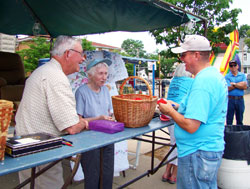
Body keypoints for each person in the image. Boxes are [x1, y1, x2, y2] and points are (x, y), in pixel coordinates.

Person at [15, 35, 88, 189]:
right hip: (40, 151)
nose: (83, 59)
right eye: (81, 54)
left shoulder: (43, 71)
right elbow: (72, 127)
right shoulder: (56, 77)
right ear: (68, 54)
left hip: (27, 145)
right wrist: (84, 122)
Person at [158, 35, 228, 189]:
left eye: (183, 55)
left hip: (197, 153)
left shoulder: (203, 82)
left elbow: (191, 126)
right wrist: (175, 105)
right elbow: (195, 107)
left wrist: (170, 111)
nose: (181, 59)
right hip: (205, 151)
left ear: (196, 55)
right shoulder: (211, 75)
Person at [75, 58, 114, 189]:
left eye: (105, 73)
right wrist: (99, 118)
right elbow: (78, 121)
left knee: (107, 173)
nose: (104, 77)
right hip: (89, 139)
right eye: (100, 74)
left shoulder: (105, 91)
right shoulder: (81, 92)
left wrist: (110, 118)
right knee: (92, 175)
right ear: (90, 75)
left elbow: (110, 113)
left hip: (107, 136)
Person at [161, 63, 193, 184]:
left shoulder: (173, 80)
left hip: (168, 115)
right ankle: (174, 174)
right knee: (180, 145)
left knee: (173, 144)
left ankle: (167, 171)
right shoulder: (191, 82)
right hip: (179, 114)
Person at [225, 59, 247, 125]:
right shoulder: (227, 76)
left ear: (237, 66)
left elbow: (245, 86)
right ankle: (229, 134)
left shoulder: (242, 75)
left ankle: (239, 134)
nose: (233, 67)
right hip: (230, 100)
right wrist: (239, 84)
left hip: (240, 99)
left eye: (234, 65)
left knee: (240, 119)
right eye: (231, 66)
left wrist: (234, 84)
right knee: (229, 120)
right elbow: (228, 88)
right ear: (229, 67)